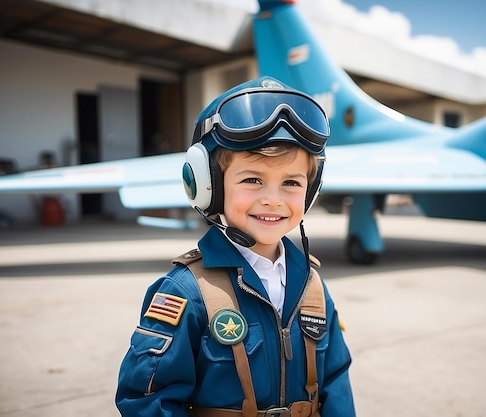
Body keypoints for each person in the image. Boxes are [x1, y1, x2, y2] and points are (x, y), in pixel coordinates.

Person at [115, 76, 355, 417]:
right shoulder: (188, 292)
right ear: (209, 184)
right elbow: (148, 401)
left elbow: (336, 384)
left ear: (311, 190)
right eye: (252, 180)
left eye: (291, 182)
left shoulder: (312, 287)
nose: (273, 200)